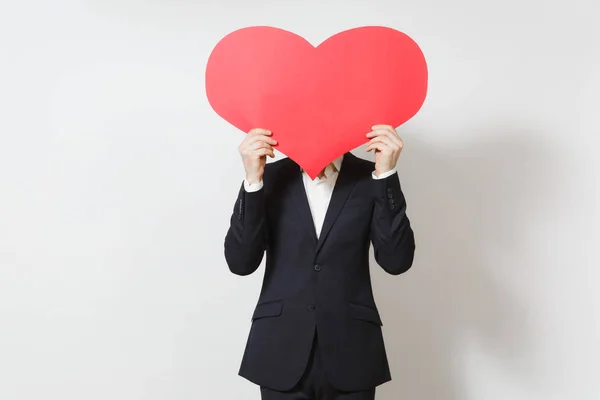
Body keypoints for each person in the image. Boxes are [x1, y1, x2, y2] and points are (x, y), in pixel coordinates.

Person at [224, 125, 416, 400]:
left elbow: (397, 261)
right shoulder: (270, 178)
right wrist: (253, 180)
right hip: (280, 351)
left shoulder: (369, 178)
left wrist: (385, 174)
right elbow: (241, 262)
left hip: (352, 352)